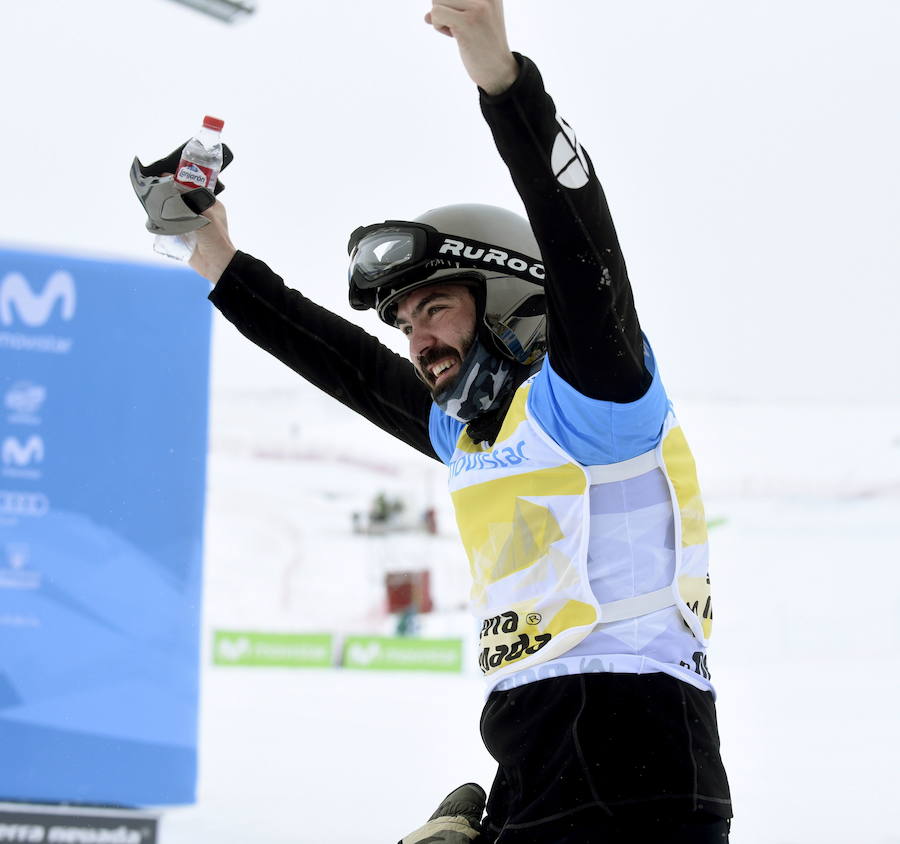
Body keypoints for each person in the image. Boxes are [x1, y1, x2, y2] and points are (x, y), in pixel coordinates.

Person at [183, 3, 733, 840]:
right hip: (539, 762)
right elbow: (337, 360)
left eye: (434, 308)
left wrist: (498, 72)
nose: (417, 340)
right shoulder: (468, 432)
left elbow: (579, 233)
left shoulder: (595, 399)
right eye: (404, 324)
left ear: (511, 298)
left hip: (640, 766)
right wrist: (213, 255)